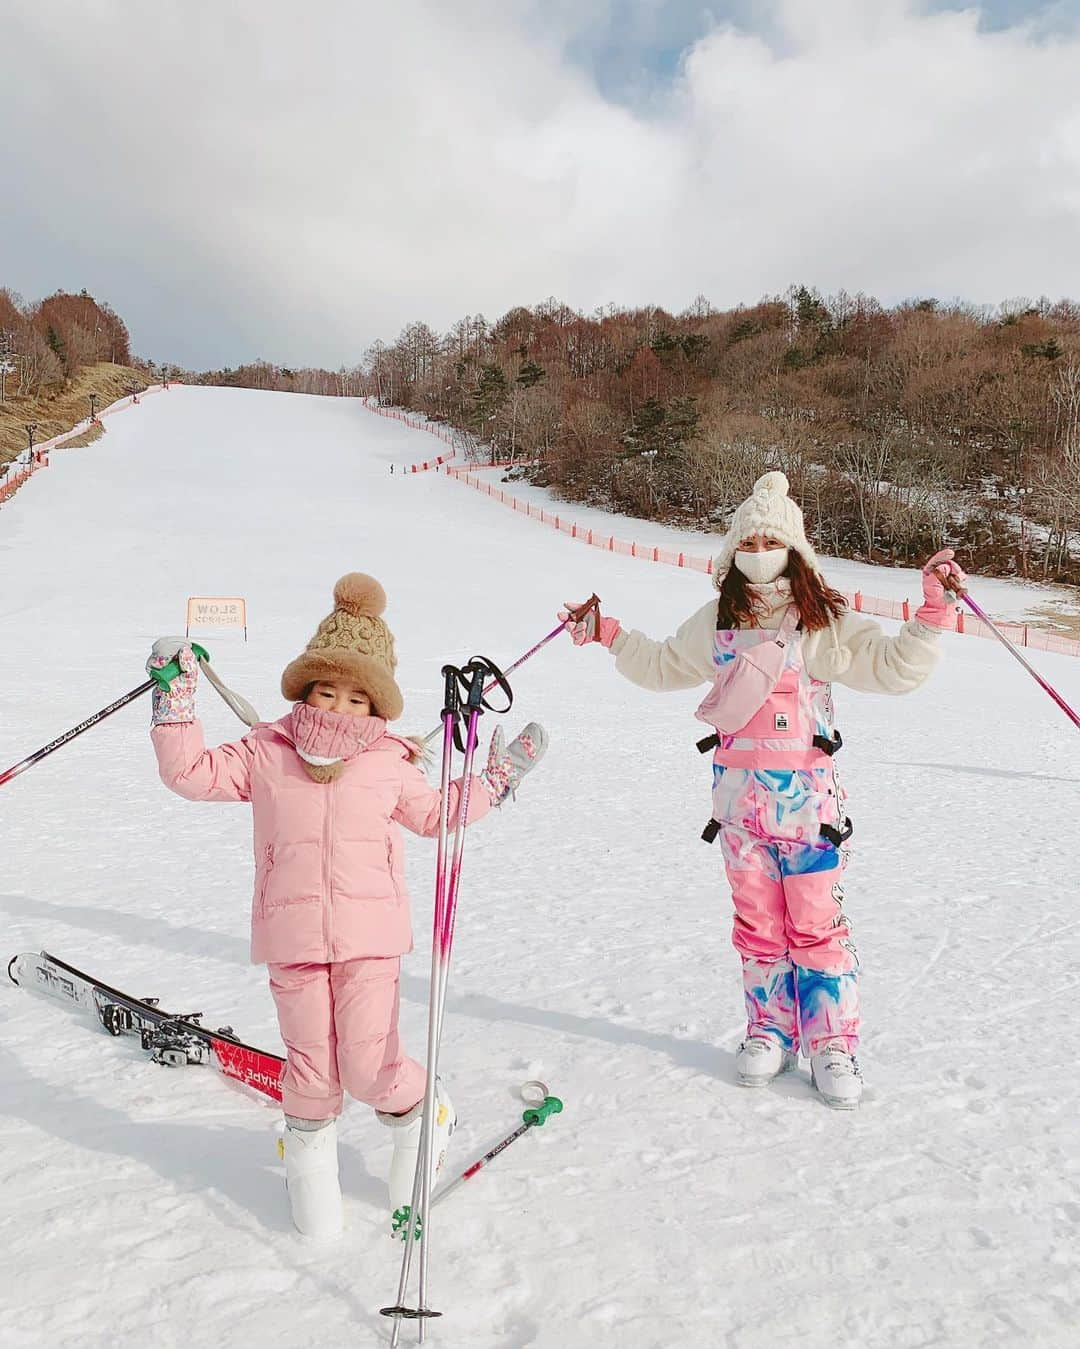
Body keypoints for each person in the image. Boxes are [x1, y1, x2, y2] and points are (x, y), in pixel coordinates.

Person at [148, 572, 547, 1235]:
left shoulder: (388, 762)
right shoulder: (267, 751)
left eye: (356, 695)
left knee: (369, 1065)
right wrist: (175, 699)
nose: (338, 706)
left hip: (369, 939)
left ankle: (424, 1110)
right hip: (292, 937)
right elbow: (190, 774)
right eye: (325, 688)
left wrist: (497, 779)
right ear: (305, 688)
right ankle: (310, 1179)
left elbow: (439, 812)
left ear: (376, 704)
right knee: (309, 1072)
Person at [560, 472, 964, 1110]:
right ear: (731, 550)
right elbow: (664, 664)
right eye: (747, 537)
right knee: (756, 925)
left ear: (794, 548)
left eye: (770, 538)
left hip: (809, 815)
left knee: (815, 926)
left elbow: (891, 667)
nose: (758, 548)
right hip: (738, 814)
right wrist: (609, 633)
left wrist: (934, 615)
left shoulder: (819, 623)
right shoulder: (717, 620)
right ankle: (769, 1028)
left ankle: (832, 1042)